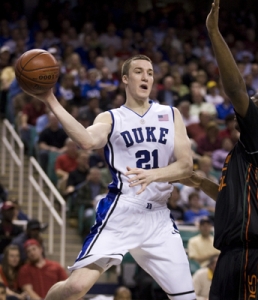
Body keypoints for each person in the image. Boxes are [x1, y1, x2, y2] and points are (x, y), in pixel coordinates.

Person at [26, 54, 195, 300]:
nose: (146, 76)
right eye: (139, 71)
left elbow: (186, 166)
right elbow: (86, 140)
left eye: (149, 72)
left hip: (158, 217)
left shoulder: (170, 114)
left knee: (186, 298)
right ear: (125, 79)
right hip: (122, 211)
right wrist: (50, 99)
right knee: (75, 288)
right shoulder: (111, 117)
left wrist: (153, 174)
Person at [179, 1, 258, 299]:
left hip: (255, 253)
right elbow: (230, 197)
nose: (244, 111)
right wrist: (201, 183)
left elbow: (237, 90)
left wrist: (213, 32)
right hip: (231, 254)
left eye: (253, 108)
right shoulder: (243, 152)